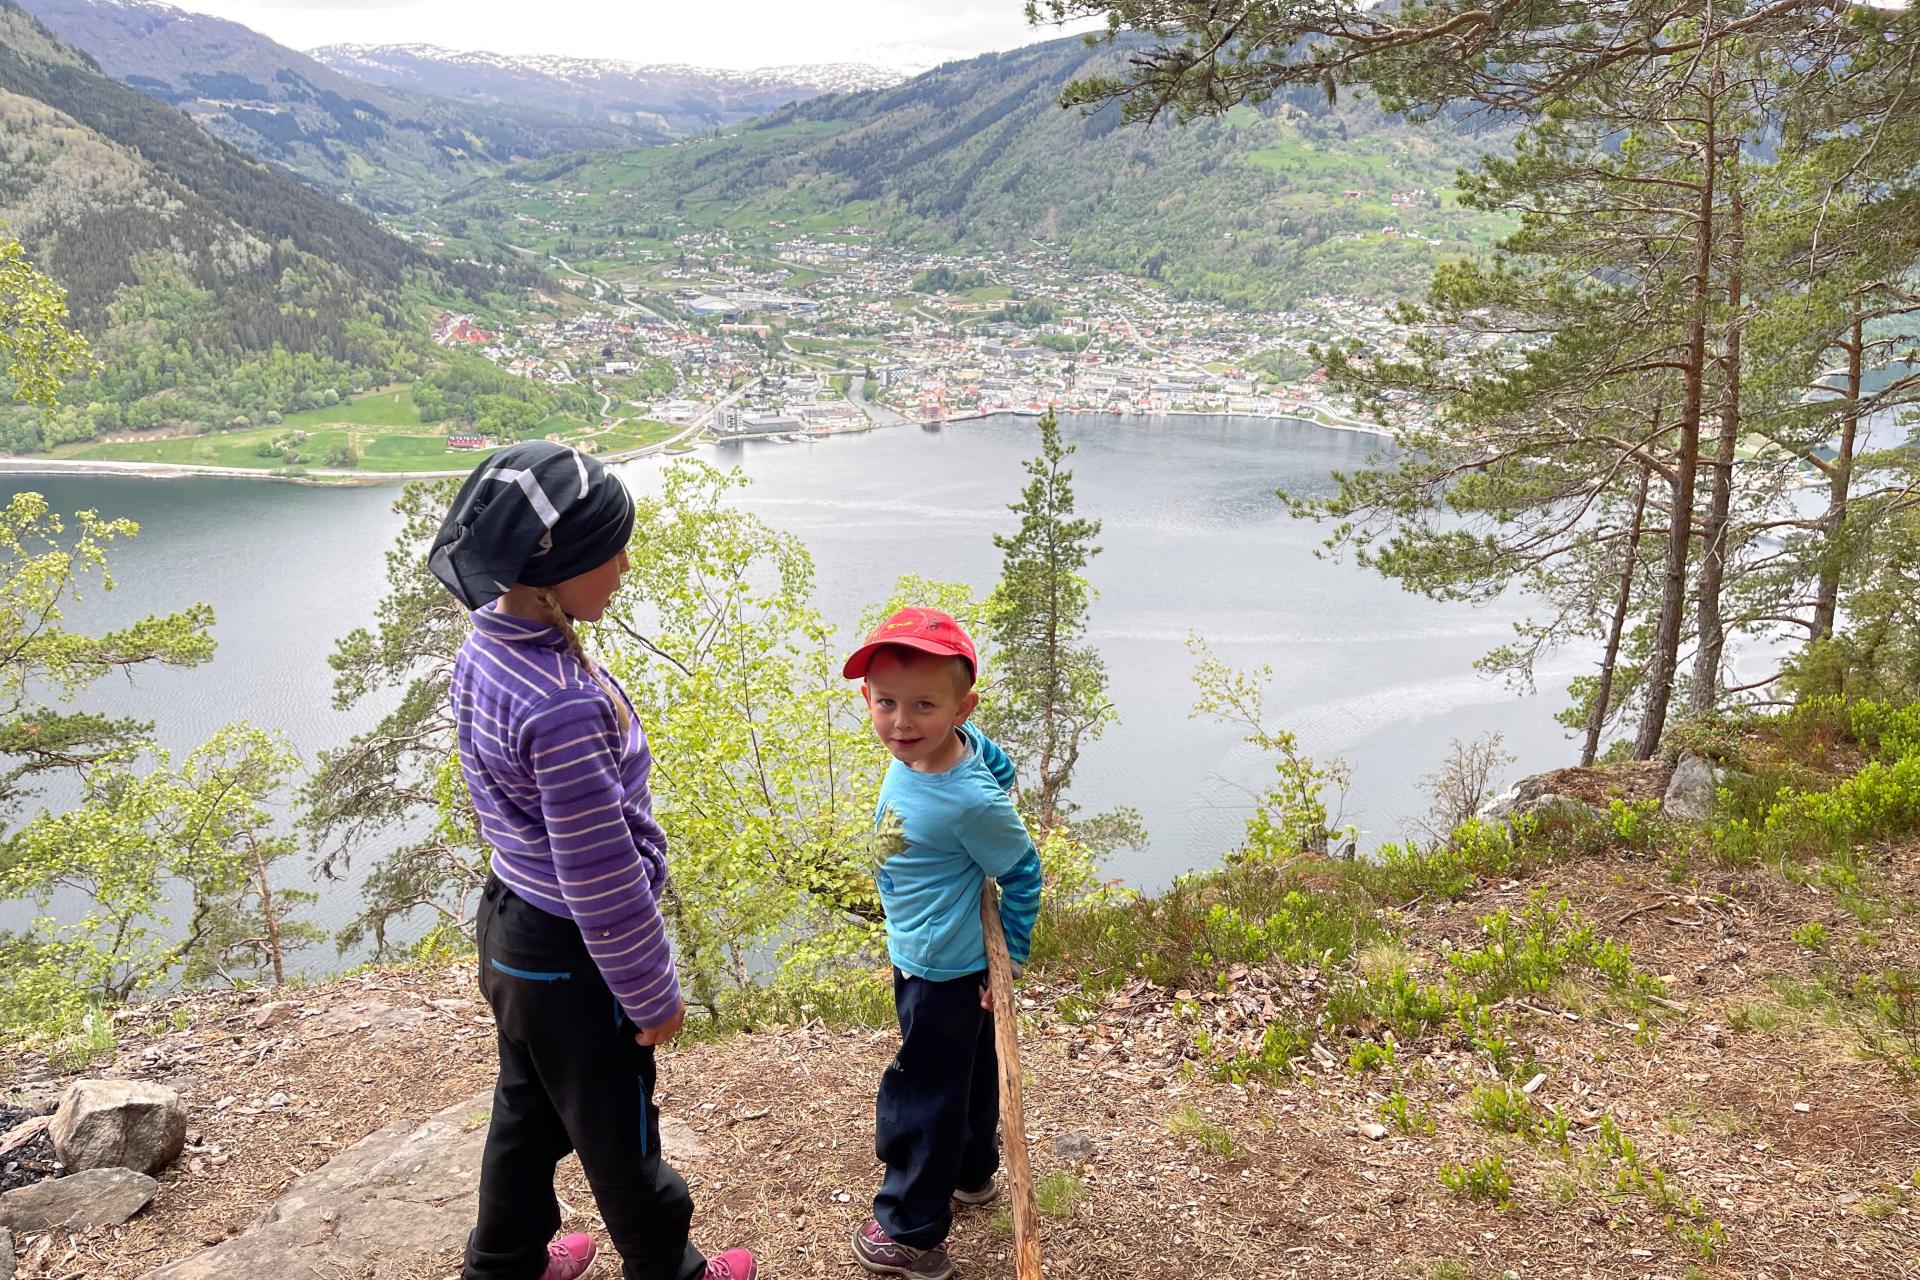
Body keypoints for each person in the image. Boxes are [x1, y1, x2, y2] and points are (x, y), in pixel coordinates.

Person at [429, 441, 755, 1280]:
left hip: (510, 928)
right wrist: (652, 993)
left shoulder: (492, 646)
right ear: (553, 569)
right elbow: (601, 877)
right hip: (575, 955)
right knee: (620, 1134)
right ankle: (668, 1270)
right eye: (607, 551)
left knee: (527, 1112)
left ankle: (503, 1263)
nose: (622, 565)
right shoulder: (563, 705)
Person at [840, 607, 1044, 1280]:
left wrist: (1007, 960)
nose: (901, 723)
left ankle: (911, 1232)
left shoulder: (968, 803)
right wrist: (984, 756)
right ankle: (970, 1173)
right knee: (968, 1074)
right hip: (933, 956)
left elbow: (1022, 872)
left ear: (963, 706)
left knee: (921, 1092)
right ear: (867, 698)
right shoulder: (939, 753)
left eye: (925, 705)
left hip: (942, 968)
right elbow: (995, 759)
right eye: (887, 702)